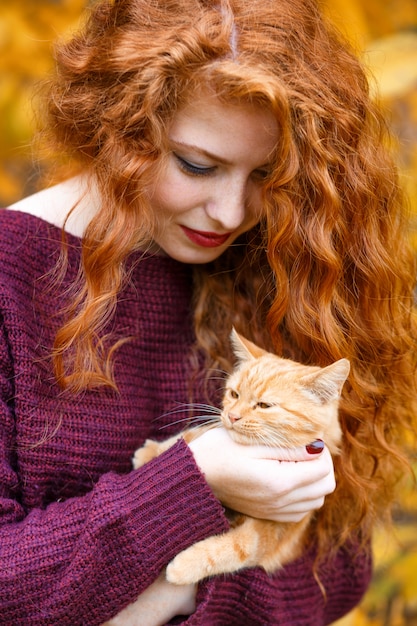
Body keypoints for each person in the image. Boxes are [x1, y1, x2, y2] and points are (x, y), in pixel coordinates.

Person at [1, 0, 416, 624]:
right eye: (198, 165)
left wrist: (182, 592)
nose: (229, 212)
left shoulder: (270, 267)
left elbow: (339, 554)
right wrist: (196, 478)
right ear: (122, 131)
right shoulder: (12, 279)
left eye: (265, 176)